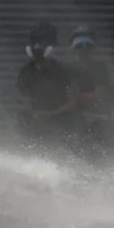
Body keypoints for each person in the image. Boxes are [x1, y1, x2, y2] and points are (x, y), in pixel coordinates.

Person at [16, 21, 82, 153]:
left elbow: (73, 101)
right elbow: (23, 96)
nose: (37, 46)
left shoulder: (64, 71)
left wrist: (49, 114)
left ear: (52, 46)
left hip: (63, 125)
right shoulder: (26, 71)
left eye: (42, 42)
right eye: (35, 41)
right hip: (36, 127)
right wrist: (34, 114)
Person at [66, 25, 114, 158]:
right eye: (79, 46)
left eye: (86, 46)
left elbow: (100, 97)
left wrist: (76, 97)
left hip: (97, 118)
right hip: (73, 118)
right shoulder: (67, 69)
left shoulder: (99, 68)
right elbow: (64, 97)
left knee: (101, 152)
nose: (83, 49)